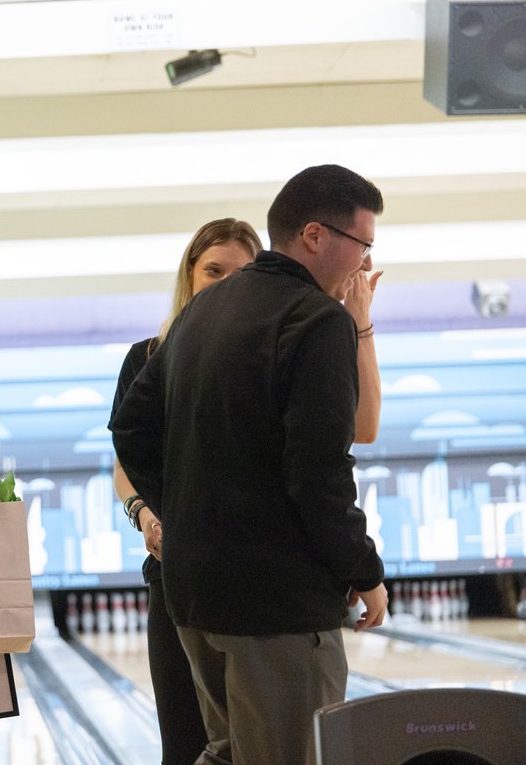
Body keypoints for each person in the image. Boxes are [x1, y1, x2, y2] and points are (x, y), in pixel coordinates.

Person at [111, 166, 389, 765]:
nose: (364, 263)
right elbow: (320, 476)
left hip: (196, 596)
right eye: (363, 244)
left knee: (227, 753)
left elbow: (131, 428)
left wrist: (191, 515)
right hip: (277, 605)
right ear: (315, 235)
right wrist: (363, 570)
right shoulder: (316, 319)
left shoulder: (197, 317)